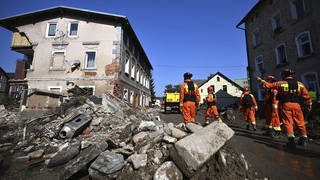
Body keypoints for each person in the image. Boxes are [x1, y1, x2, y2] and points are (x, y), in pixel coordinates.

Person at [257, 68, 312, 148]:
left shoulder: (280, 83)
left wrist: (261, 80)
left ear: (283, 75)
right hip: (297, 105)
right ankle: (303, 139)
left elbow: (268, 85)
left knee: (288, 123)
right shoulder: (300, 84)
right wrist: (309, 105)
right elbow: (307, 96)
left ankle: (291, 141)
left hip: (286, 105)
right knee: (300, 122)